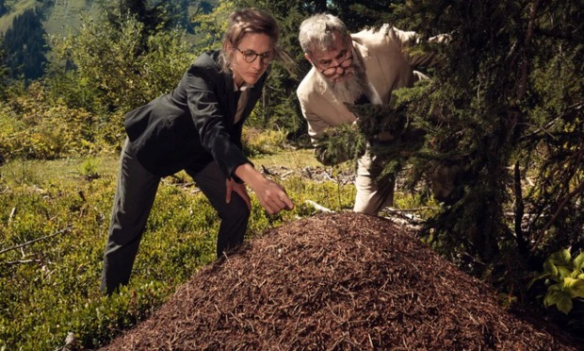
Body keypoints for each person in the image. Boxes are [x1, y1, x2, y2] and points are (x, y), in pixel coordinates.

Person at [101, 8, 294, 295]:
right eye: (249, 54)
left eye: (265, 56)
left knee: (237, 209)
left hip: (201, 152)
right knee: (128, 226)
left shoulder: (256, 76)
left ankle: (224, 289)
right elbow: (212, 129)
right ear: (230, 48)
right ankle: (110, 300)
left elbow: (232, 124)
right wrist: (257, 180)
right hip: (155, 144)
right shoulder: (202, 71)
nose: (258, 64)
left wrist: (233, 174)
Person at [297, 14, 445, 215]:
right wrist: (355, 135)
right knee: (365, 218)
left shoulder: (385, 40)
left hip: (426, 117)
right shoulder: (309, 95)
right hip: (375, 148)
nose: (338, 68)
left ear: (349, 40)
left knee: (452, 185)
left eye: (342, 56)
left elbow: (441, 50)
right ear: (310, 59)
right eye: (326, 63)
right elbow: (323, 152)